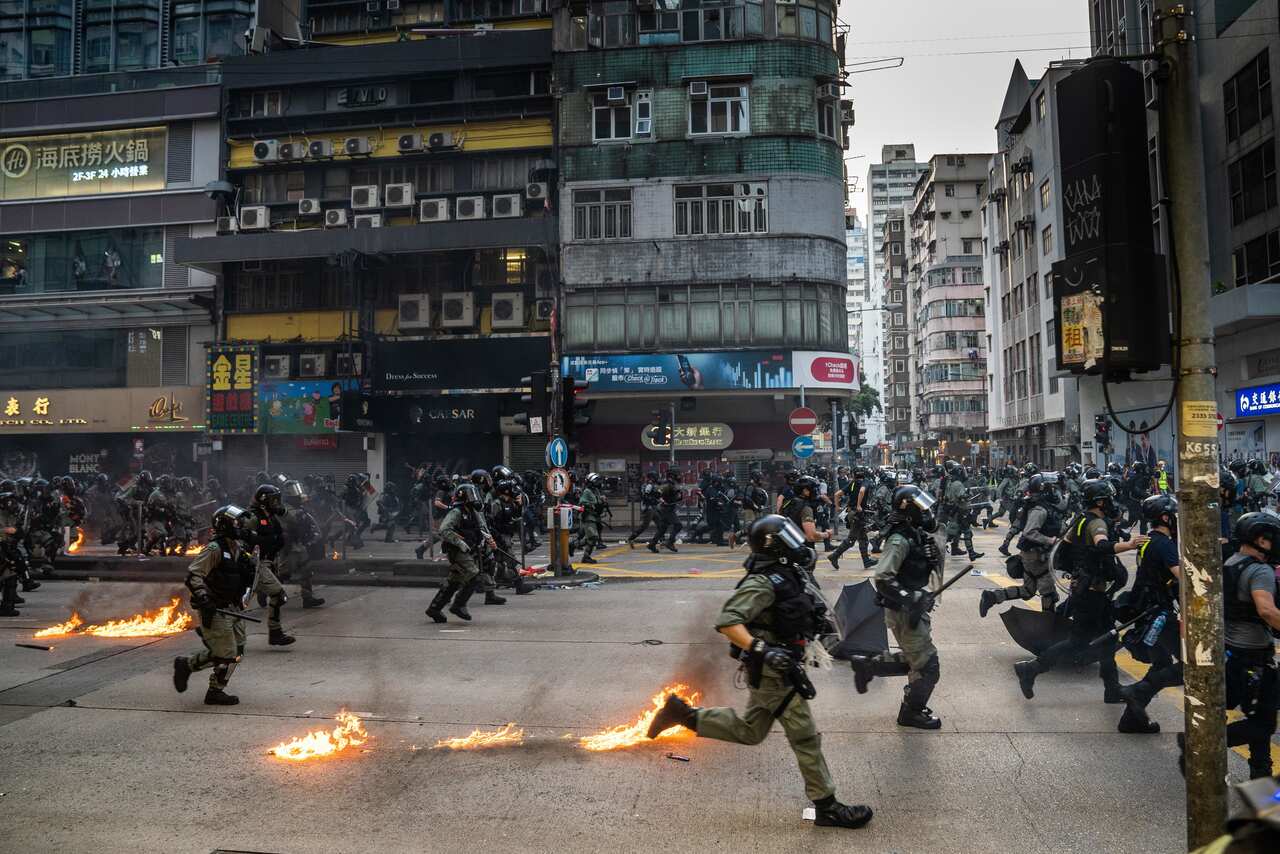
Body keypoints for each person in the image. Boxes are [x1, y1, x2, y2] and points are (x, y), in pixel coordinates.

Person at [644, 515, 874, 830]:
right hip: (773, 672)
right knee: (805, 737)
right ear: (774, 545)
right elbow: (728, 620)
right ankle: (827, 805)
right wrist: (762, 650)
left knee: (750, 731)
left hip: (782, 665)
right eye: (789, 538)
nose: (798, 543)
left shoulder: (788, 573)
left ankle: (683, 714)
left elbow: (801, 612)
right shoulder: (763, 581)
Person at [1014, 479, 1147, 704]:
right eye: (1107, 499)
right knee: (1078, 641)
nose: (1110, 503)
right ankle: (1032, 669)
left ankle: (1112, 689)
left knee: (1107, 639)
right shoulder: (1096, 524)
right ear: (1100, 501)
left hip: (1085, 588)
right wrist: (1131, 545)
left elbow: (1064, 550)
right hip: (1092, 592)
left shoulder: (1080, 520)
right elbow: (1102, 545)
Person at [848, 485, 947, 729]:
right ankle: (911, 713)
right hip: (903, 612)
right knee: (928, 666)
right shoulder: (899, 538)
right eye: (921, 508)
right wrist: (912, 597)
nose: (927, 512)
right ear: (909, 510)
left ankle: (868, 665)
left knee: (917, 660)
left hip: (909, 610)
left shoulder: (914, 533)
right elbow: (883, 578)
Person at [1206, 512, 1280, 779]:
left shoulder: (1232, 562)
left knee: (1259, 714)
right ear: (1261, 539)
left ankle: (1261, 778)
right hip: (1255, 658)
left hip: (1234, 652)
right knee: (1263, 723)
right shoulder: (1260, 570)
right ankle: (1201, 744)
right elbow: (1267, 611)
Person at [173, 506, 258, 705]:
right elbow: (194, 575)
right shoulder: (215, 549)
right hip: (216, 608)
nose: (241, 526)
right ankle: (215, 691)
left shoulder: (238, 548)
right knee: (226, 653)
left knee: (236, 652)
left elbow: (248, 573)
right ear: (226, 524)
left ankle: (186, 665)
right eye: (237, 522)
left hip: (234, 608)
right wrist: (204, 598)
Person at [1115, 495, 1180, 735]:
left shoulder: (1149, 541)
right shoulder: (1164, 544)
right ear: (1165, 517)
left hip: (1147, 611)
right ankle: (1136, 693)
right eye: (1173, 515)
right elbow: (1182, 576)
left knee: (1162, 662)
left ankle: (1131, 720)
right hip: (1159, 614)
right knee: (1191, 664)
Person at [980, 472, 1065, 618]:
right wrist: (1049, 540)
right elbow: (1030, 532)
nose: (1055, 492)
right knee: (1048, 593)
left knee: (1028, 590)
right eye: (1052, 488)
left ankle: (993, 597)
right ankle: (1049, 624)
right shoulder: (1039, 510)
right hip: (1037, 557)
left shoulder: (1041, 506)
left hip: (1032, 555)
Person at [425, 483, 497, 623]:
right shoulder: (457, 512)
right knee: (474, 575)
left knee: (454, 581)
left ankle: (434, 608)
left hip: (468, 550)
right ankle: (458, 605)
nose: (474, 499)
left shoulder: (472, 512)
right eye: (471, 496)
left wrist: (490, 541)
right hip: (457, 551)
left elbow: (481, 528)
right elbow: (444, 530)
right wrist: (460, 543)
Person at [241, 485, 297, 646]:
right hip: (255, 563)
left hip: (268, 562)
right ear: (265, 501)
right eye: (274, 500)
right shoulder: (253, 517)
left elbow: (291, 523)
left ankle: (275, 633)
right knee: (277, 594)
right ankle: (275, 632)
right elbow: (241, 539)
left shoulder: (271, 516)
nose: (277, 503)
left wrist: (283, 512)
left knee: (242, 601)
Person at [279, 480, 324, 609]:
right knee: (283, 574)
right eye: (295, 493)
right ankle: (264, 592)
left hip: (300, 545)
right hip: (289, 548)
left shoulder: (300, 510)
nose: (298, 496)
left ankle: (308, 598)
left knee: (306, 571)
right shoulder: (283, 510)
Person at [828, 465, 877, 571]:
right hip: (857, 514)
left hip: (851, 513)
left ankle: (866, 561)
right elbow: (862, 491)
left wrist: (837, 507)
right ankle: (834, 556)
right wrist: (859, 505)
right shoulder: (865, 482)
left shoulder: (852, 483)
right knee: (851, 539)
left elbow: (837, 494)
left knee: (863, 538)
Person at [941, 461, 983, 561]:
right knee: (956, 533)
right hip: (959, 512)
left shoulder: (950, 482)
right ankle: (936, 548)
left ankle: (965, 551)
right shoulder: (958, 484)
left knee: (960, 532)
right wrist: (968, 494)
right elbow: (962, 498)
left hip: (955, 511)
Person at [648, 469, 683, 553]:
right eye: (676, 474)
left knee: (662, 529)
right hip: (667, 510)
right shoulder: (667, 484)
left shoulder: (671, 484)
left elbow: (675, 497)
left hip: (667, 509)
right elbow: (657, 494)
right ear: (672, 475)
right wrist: (661, 500)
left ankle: (652, 544)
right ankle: (670, 542)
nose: (678, 476)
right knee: (678, 525)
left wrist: (678, 496)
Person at [575, 472, 606, 564]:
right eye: (597, 481)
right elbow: (582, 503)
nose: (599, 483)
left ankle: (574, 546)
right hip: (588, 517)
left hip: (595, 517)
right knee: (592, 537)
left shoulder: (595, 491)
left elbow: (598, 501)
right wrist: (592, 505)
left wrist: (602, 500)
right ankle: (583, 554)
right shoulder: (587, 491)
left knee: (589, 536)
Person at [627, 471, 661, 547]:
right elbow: (646, 496)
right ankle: (631, 538)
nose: (657, 478)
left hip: (653, 508)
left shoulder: (651, 485)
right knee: (644, 526)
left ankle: (662, 541)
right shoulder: (649, 485)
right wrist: (655, 499)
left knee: (660, 524)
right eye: (655, 476)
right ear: (652, 477)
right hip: (648, 508)